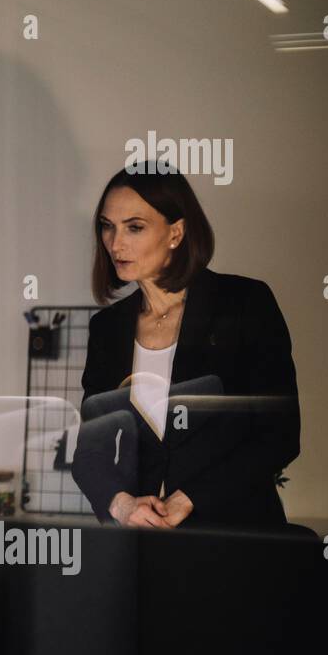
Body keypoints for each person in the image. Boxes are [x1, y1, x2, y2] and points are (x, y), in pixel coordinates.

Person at [70, 166, 299, 530]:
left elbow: (280, 435)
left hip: (237, 540)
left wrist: (188, 498)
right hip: (147, 547)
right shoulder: (108, 328)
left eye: (134, 227)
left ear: (175, 232)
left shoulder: (245, 304)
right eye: (107, 225)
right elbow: (91, 452)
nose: (115, 243)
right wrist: (122, 505)